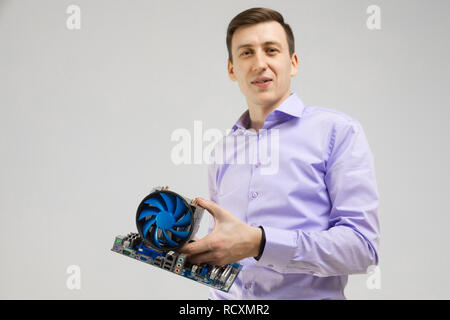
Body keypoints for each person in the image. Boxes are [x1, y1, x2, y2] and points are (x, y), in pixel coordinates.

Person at [179, 7, 380, 300]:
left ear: (293, 62)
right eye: (246, 53)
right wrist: (193, 250)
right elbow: (226, 252)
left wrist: (261, 243)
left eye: (271, 50)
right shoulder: (223, 149)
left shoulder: (338, 132)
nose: (260, 63)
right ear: (231, 69)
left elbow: (363, 247)